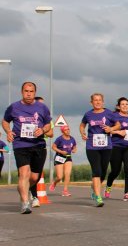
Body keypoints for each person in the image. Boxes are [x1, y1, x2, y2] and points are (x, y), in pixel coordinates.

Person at [2, 82, 52, 213]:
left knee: (34, 178)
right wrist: (8, 131)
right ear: (21, 92)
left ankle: (23, 188)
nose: (28, 94)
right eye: (26, 91)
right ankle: (25, 203)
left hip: (38, 145)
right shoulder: (14, 107)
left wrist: (42, 130)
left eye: (31, 91)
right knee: (24, 173)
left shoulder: (42, 108)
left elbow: (48, 125)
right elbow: (5, 121)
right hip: (21, 144)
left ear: (35, 93)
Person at [80, 93, 120, 207]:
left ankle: (94, 187)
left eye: (99, 100)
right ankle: (98, 197)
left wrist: (111, 128)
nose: (97, 102)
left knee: (102, 171)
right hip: (92, 146)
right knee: (96, 171)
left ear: (103, 102)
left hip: (106, 146)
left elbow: (118, 125)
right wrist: (82, 133)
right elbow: (82, 125)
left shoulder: (109, 113)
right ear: (91, 102)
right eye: (95, 100)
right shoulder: (88, 114)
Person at [105, 97, 128, 201]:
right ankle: (108, 185)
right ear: (118, 106)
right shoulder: (114, 116)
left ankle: (127, 193)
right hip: (116, 147)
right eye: (122, 104)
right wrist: (119, 132)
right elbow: (107, 130)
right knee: (115, 170)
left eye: (126, 104)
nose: (125, 106)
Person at [49, 125, 77, 197]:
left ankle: (65, 190)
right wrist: (61, 151)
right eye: (66, 130)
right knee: (59, 177)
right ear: (62, 131)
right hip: (59, 157)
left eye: (68, 129)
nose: (68, 131)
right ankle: (54, 183)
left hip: (68, 158)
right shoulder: (59, 139)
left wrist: (74, 150)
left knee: (67, 174)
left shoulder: (72, 139)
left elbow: (74, 147)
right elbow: (53, 147)